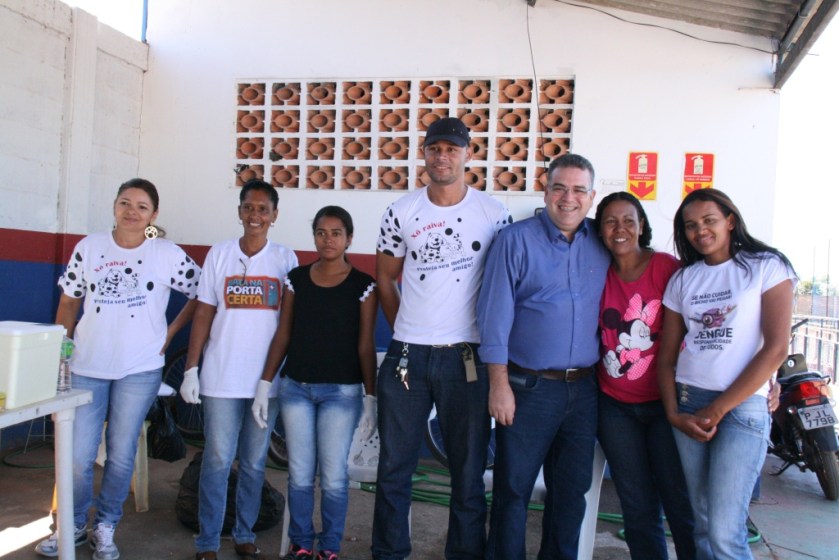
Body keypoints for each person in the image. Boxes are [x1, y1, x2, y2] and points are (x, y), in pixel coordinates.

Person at [37, 178, 201, 560]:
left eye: (141, 206)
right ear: (114, 206)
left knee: (121, 453)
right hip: (86, 365)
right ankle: (73, 523)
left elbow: (201, 290)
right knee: (77, 456)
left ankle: (106, 524)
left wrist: (173, 330)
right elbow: (68, 302)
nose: (132, 211)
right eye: (125, 203)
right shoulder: (90, 247)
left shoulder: (165, 252)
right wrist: (63, 349)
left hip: (139, 369)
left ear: (153, 215)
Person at [372, 117, 511, 560]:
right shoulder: (401, 211)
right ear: (425, 154)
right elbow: (386, 279)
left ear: (468, 154)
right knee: (394, 468)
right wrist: (404, 329)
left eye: (452, 148)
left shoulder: (493, 213)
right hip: (407, 356)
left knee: (468, 474)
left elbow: (504, 286)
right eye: (435, 148)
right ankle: (389, 553)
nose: (442, 156)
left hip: (466, 357)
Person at [477, 153, 610, 560]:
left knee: (570, 493)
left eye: (578, 190)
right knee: (512, 490)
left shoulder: (603, 243)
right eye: (559, 188)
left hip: (584, 390)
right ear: (545, 189)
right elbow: (493, 319)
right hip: (527, 388)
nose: (568, 198)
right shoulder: (515, 241)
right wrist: (498, 386)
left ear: (591, 197)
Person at [657, 188, 797, 560]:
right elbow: (666, 358)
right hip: (689, 403)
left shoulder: (766, 266)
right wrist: (674, 413)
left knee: (724, 529)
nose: (700, 231)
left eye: (709, 220)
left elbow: (775, 349)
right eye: (690, 226)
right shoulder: (684, 280)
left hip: (741, 408)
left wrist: (717, 410)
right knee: (700, 522)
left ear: (730, 221)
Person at [180, 178, 298, 560]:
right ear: (239, 211)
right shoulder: (219, 253)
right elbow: (204, 311)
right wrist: (191, 368)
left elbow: (289, 324)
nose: (255, 215)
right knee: (216, 459)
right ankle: (208, 541)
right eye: (249, 207)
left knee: (253, 461)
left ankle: (244, 533)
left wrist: (278, 377)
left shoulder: (285, 259)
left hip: (266, 381)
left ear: (275, 216)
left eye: (263, 209)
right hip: (220, 378)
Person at [252, 205, 377, 560]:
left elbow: (366, 344)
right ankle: (302, 544)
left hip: (342, 393)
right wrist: (265, 382)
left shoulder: (363, 286)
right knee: (300, 473)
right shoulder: (297, 279)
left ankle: (330, 548)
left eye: (336, 233)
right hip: (296, 391)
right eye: (321, 232)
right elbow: (284, 334)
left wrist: (371, 396)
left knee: (335, 476)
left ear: (349, 238)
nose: (328, 239)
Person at [592, 192, 695, 560]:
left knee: (679, 501)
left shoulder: (668, 268)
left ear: (641, 226)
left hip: (667, 407)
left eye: (629, 221)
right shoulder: (598, 272)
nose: (620, 229)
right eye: (610, 221)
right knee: (636, 505)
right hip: (615, 407)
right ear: (600, 230)